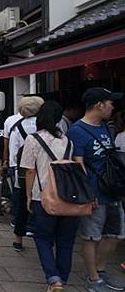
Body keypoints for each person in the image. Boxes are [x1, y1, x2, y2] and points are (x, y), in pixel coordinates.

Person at [67, 88, 125, 292]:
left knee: (115, 234)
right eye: (110, 103)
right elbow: (78, 164)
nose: (113, 107)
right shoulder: (76, 131)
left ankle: (100, 270)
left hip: (113, 190)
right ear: (99, 105)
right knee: (91, 236)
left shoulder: (108, 128)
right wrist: (87, 194)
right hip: (94, 193)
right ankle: (93, 278)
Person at [20, 101, 79, 292]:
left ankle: (54, 280)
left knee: (43, 238)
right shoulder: (68, 141)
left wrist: (28, 195)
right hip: (68, 197)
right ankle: (62, 277)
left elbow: (29, 171)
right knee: (66, 241)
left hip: (43, 197)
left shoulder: (33, 139)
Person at [8, 96, 44, 252]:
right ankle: (40, 234)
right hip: (42, 171)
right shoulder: (44, 126)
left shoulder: (17, 127)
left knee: (21, 205)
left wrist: (13, 169)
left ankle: (18, 239)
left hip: (22, 172)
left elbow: (13, 153)